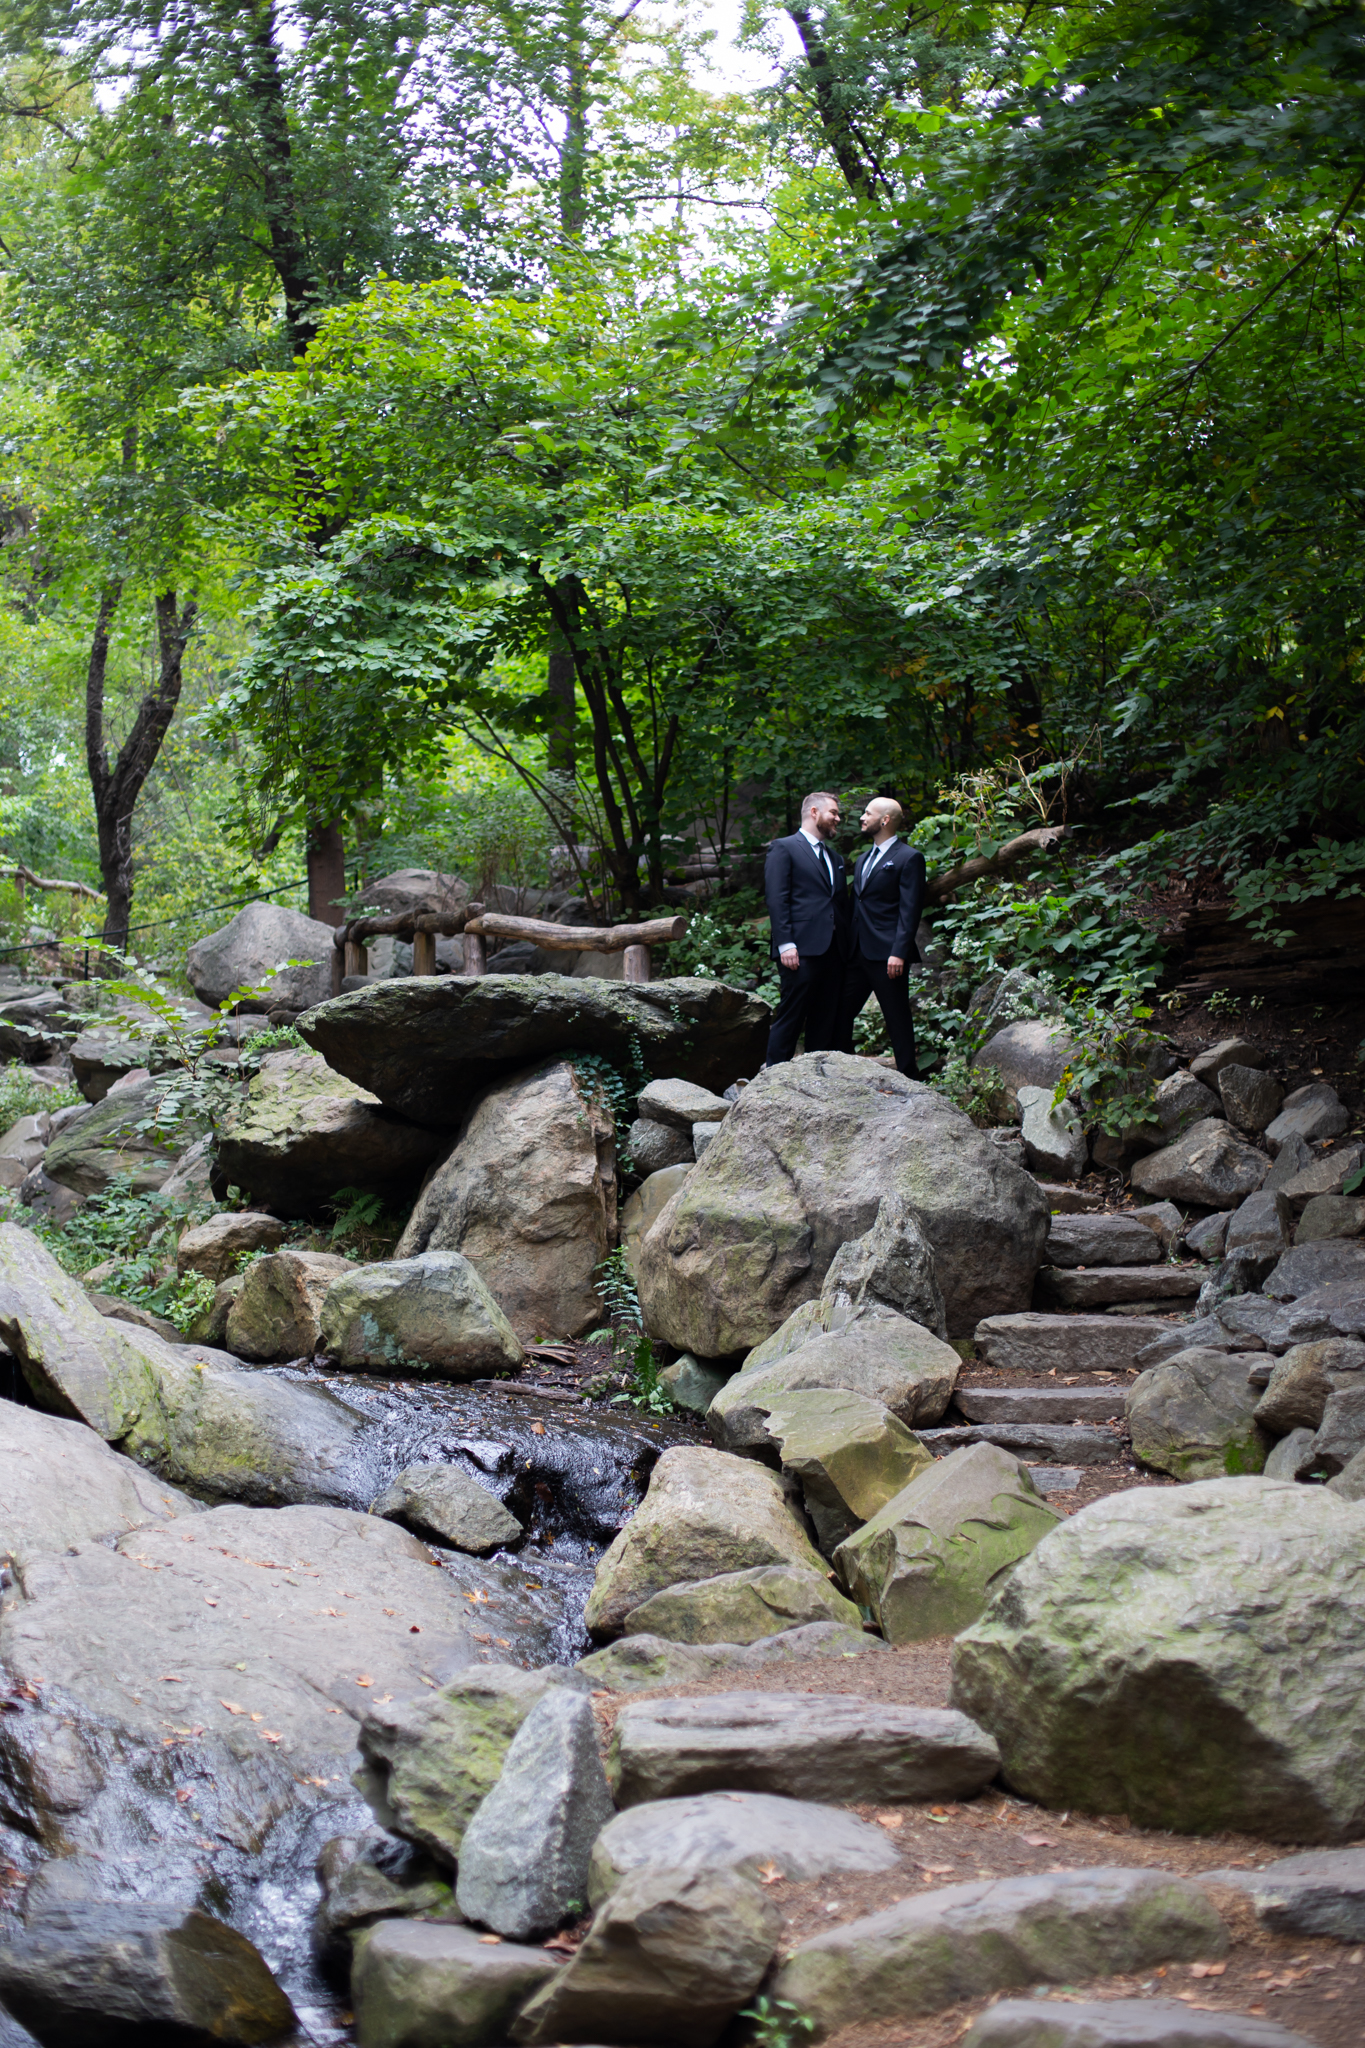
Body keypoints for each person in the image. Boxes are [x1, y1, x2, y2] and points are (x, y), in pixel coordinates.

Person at [838, 794, 925, 1076]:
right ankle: (841, 1071)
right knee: (839, 1012)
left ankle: (911, 1078)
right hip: (856, 953)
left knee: (896, 1017)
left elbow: (910, 910)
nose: (862, 818)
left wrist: (899, 951)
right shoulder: (863, 859)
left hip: (888, 955)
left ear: (885, 820)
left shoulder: (909, 858)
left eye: (867, 813)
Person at [762, 790, 850, 1065]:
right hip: (799, 950)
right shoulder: (783, 847)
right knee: (791, 1016)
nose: (838, 818)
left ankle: (815, 1081)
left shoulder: (835, 858)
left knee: (824, 1020)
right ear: (814, 812)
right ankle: (772, 1081)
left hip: (834, 951)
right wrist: (785, 943)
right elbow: (777, 898)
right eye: (833, 812)